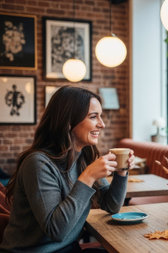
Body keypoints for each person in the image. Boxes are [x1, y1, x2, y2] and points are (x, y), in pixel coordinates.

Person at [0, 86, 135, 252]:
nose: (102, 124)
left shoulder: (83, 158)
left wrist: (122, 171)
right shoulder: (38, 164)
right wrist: (88, 177)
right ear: (69, 121)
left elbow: (111, 206)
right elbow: (57, 230)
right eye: (94, 117)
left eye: (101, 117)